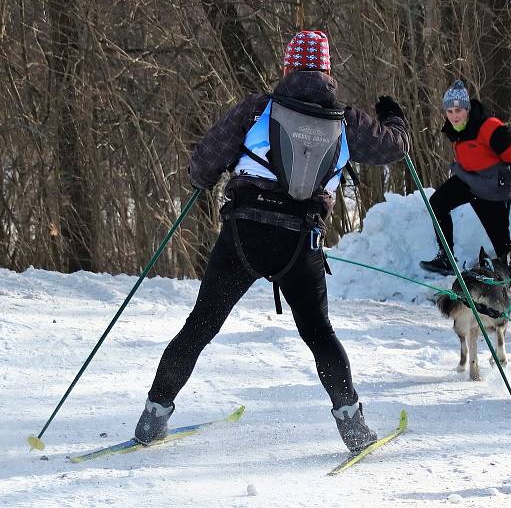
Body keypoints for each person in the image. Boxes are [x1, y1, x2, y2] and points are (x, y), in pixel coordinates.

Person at [134, 30, 410, 453]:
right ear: (327, 70)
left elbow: (203, 164)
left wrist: (204, 179)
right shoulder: (346, 121)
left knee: (200, 325)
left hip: (245, 235)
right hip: (301, 242)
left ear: (287, 67)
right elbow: (394, 148)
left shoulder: (257, 107)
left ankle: (154, 416)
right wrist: (393, 118)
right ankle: (353, 426)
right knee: (319, 334)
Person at [419, 80, 511, 275]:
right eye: (449, 111)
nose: (454, 116)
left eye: (458, 110)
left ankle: (509, 275)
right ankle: (446, 257)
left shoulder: (490, 127)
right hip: (469, 181)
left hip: (494, 189)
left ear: (467, 109)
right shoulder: (456, 130)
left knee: (501, 241)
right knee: (437, 203)